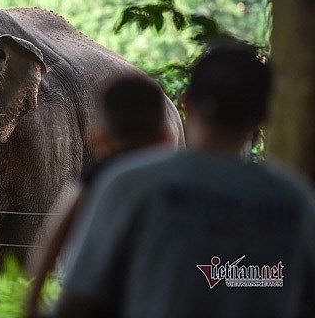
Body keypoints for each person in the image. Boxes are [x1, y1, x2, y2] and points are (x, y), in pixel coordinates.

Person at [53, 40, 315, 318]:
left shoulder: (130, 184)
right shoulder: (295, 200)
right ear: (265, 117)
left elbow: (76, 302)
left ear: (186, 101)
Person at [26, 75, 173, 317]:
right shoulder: (175, 180)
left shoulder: (97, 176)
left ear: (98, 137)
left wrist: (32, 303)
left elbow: (53, 238)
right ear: (165, 138)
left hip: (99, 300)